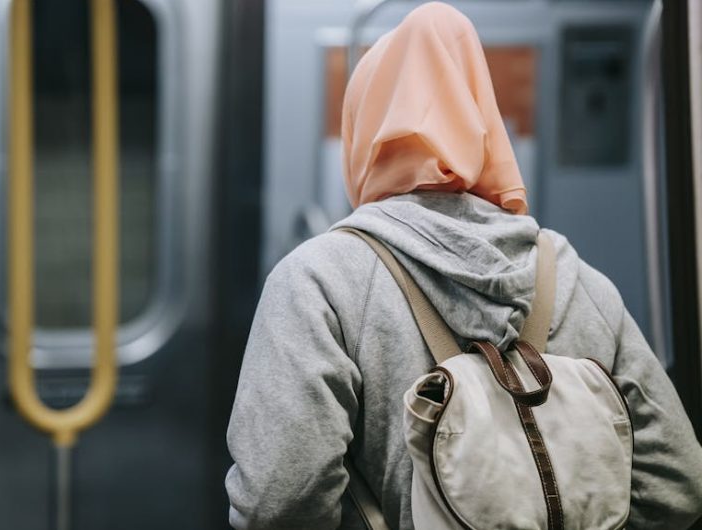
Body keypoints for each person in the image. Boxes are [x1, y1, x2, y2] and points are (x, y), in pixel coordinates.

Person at [224, 3, 702, 529]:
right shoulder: (580, 282)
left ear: (363, 134)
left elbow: (279, 500)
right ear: (483, 122)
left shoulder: (318, 280)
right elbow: (676, 488)